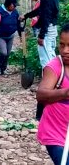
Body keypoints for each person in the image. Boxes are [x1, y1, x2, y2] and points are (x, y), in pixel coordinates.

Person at [36, 23, 69, 165]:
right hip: (55, 133)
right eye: (62, 45)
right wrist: (65, 93)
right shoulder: (55, 66)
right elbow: (41, 95)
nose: (65, 50)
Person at [20, 0, 59, 69]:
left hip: (46, 30)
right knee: (51, 56)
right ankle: (54, 82)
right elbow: (42, 10)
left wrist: (42, 35)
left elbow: (46, 16)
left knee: (46, 60)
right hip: (51, 28)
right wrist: (26, 15)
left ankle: (51, 82)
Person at [0, 0, 22, 75]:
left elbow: (18, 24)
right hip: (0, 36)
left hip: (10, 36)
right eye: (13, 5)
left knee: (8, 53)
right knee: (3, 52)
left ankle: (3, 68)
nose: (15, 7)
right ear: (8, 4)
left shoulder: (15, 12)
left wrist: (20, 35)